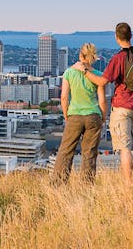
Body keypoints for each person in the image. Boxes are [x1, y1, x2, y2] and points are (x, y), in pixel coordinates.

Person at [84, 22, 133, 184]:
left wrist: (86, 72)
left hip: (122, 107)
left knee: (125, 148)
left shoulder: (118, 58)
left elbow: (102, 81)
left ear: (117, 37)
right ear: (131, 35)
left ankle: (128, 183)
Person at [52, 43, 107, 183]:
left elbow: (64, 97)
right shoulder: (99, 75)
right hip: (93, 115)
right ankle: (86, 186)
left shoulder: (69, 73)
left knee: (65, 151)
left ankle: (58, 184)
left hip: (74, 115)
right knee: (89, 153)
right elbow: (102, 101)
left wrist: (66, 115)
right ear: (93, 58)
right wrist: (103, 116)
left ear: (80, 56)